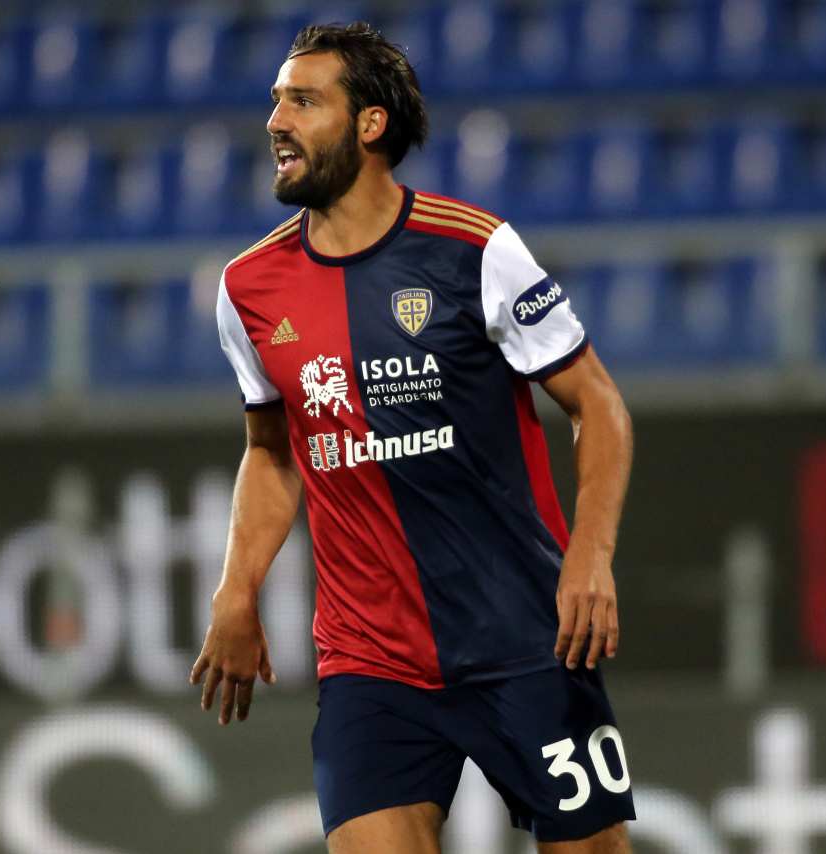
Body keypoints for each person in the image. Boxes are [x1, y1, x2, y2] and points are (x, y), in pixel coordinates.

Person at [190, 21, 636, 854]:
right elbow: (272, 450)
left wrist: (591, 554)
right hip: (370, 661)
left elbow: (599, 405)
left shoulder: (476, 250)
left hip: (522, 640)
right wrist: (237, 589)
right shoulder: (248, 288)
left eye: (304, 99)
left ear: (369, 125)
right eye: (275, 99)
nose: (275, 120)